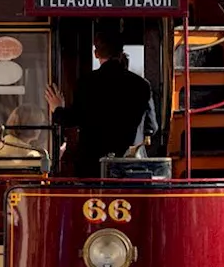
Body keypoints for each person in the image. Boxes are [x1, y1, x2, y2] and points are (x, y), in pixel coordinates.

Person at [45, 29, 155, 178]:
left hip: (92, 165)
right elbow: (152, 127)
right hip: (129, 164)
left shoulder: (86, 82)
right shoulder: (142, 85)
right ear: (120, 52)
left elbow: (72, 119)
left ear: (96, 54)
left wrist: (57, 108)